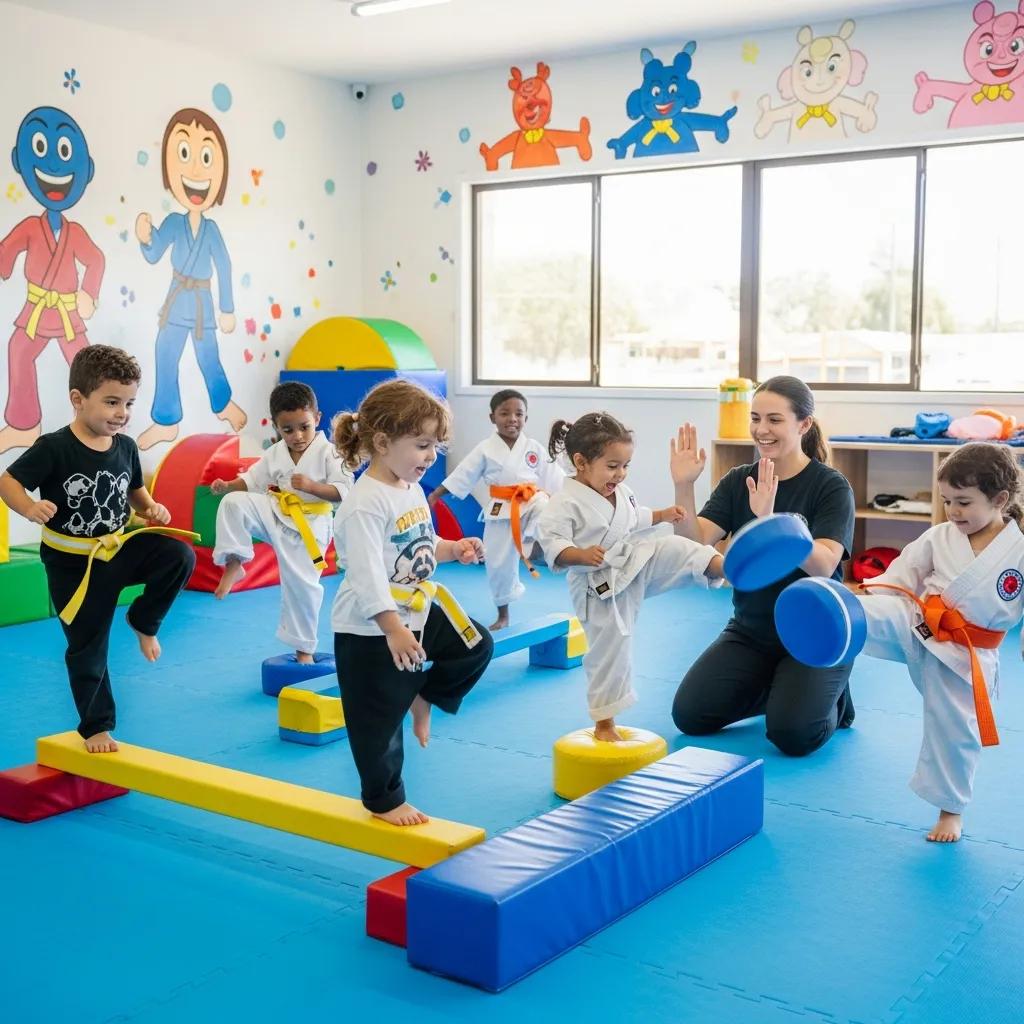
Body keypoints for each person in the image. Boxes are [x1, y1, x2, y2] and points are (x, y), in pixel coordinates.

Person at [0, 345, 195, 752]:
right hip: (74, 566)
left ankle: (144, 620)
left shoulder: (124, 446)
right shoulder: (55, 447)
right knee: (88, 648)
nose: (121, 413)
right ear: (78, 399)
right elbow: (8, 482)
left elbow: (136, 491)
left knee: (178, 555)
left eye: (128, 403)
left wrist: (151, 508)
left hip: (116, 549)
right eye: (111, 402)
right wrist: (30, 506)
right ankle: (97, 726)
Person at [330, 379, 494, 826]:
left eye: (435, 446)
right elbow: (365, 576)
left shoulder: (410, 489)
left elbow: (421, 542)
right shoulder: (365, 503)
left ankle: (426, 694)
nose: (431, 457)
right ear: (382, 442)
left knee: (475, 645)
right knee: (377, 723)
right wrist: (392, 629)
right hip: (369, 629)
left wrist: (451, 549)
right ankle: (385, 801)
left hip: (416, 610)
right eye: (422, 445)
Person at [670, 375, 856, 756]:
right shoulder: (740, 479)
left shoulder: (830, 486)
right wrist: (683, 485)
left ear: (803, 425)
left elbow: (823, 565)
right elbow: (693, 542)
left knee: (792, 735)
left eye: (774, 420)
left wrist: (773, 521)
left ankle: (835, 700)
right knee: (690, 716)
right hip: (752, 631)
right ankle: (778, 691)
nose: (761, 430)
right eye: (755, 418)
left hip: (816, 635)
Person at [855, 442, 1024, 842]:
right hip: (920, 624)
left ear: (1000, 500)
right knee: (874, 612)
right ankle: (833, 618)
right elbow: (901, 576)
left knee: (954, 732)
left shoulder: (1018, 550)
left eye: (963, 502)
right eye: (947, 501)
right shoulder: (940, 536)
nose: (953, 511)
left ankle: (950, 811)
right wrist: (872, 597)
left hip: (965, 656)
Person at [536, 412, 724, 742]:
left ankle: (722, 566)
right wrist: (579, 555)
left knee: (672, 546)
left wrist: (662, 514)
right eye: (612, 466)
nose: (620, 474)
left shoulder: (619, 491)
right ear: (581, 462)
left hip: (631, 560)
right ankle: (604, 722)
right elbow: (552, 545)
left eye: (625, 466)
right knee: (611, 649)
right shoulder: (563, 504)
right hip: (599, 587)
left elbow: (633, 517)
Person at [211, 381, 352, 663]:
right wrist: (228, 486)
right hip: (276, 512)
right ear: (276, 427)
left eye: (304, 427)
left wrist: (312, 487)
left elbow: (344, 491)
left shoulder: (330, 453)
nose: (297, 436)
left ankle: (304, 651)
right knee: (233, 504)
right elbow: (253, 480)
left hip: (310, 525)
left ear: (317, 419)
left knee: (301, 585)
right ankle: (235, 562)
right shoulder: (275, 453)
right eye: (287, 430)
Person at [428, 388, 563, 630]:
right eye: (505, 413)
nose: (512, 419)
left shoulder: (533, 448)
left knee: (544, 505)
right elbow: (464, 473)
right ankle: (503, 615)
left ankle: (535, 548)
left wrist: (576, 492)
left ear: (526, 418)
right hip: (501, 509)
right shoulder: (485, 449)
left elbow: (555, 478)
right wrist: (437, 493)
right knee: (497, 563)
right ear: (493, 418)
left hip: (530, 500)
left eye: (519, 414)